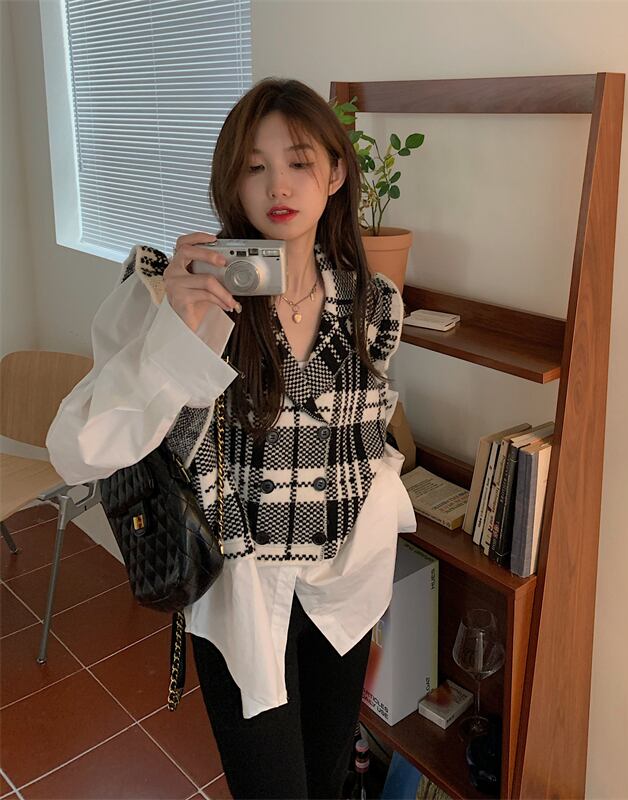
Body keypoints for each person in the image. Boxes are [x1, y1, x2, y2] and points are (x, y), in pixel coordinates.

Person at [46, 77, 417, 799]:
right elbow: (79, 448)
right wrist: (174, 329)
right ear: (231, 181)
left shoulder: (374, 305)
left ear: (335, 175)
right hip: (243, 597)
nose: (278, 184)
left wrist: (379, 509)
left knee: (332, 779)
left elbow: (366, 432)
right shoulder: (174, 291)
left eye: (300, 161)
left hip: (344, 590)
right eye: (255, 166)